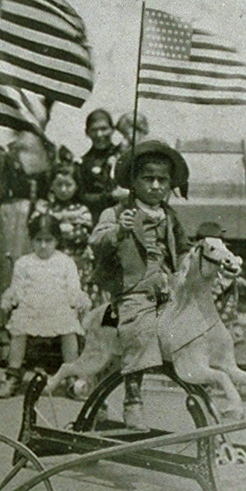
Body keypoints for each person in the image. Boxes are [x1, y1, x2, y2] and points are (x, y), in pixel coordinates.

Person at [90, 140, 190, 428]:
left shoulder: (169, 217)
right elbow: (96, 241)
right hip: (133, 289)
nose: (156, 185)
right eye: (148, 178)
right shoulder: (118, 212)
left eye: (163, 180)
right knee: (140, 328)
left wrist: (186, 267)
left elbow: (183, 249)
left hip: (166, 287)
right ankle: (132, 399)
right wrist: (119, 230)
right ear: (133, 182)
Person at [0, 111, 58, 365]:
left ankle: (33, 348)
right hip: (10, 216)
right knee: (6, 274)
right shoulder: (5, 153)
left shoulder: (50, 151)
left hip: (40, 218)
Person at [0, 213, 86, 398]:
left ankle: (71, 376)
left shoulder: (65, 262)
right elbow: (17, 288)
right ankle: (12, 374)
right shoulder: (24, 263)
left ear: (57, 240)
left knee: (69, 328)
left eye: (48, 240)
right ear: (31, 240)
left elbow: (73, 288)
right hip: (31, 308)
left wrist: (78, 301)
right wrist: (10, 299)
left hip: (57, 306)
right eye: (38, 240)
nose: (43, 245)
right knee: (18, 329)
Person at [75, 108, 121, 218]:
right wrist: (111, 196)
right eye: (94, 130)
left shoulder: (123, 155)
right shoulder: (83, 163)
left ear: (112, 129)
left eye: (104, 129)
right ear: (87, 132)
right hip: (98, 217)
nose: (99, 134)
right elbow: (81, 196)